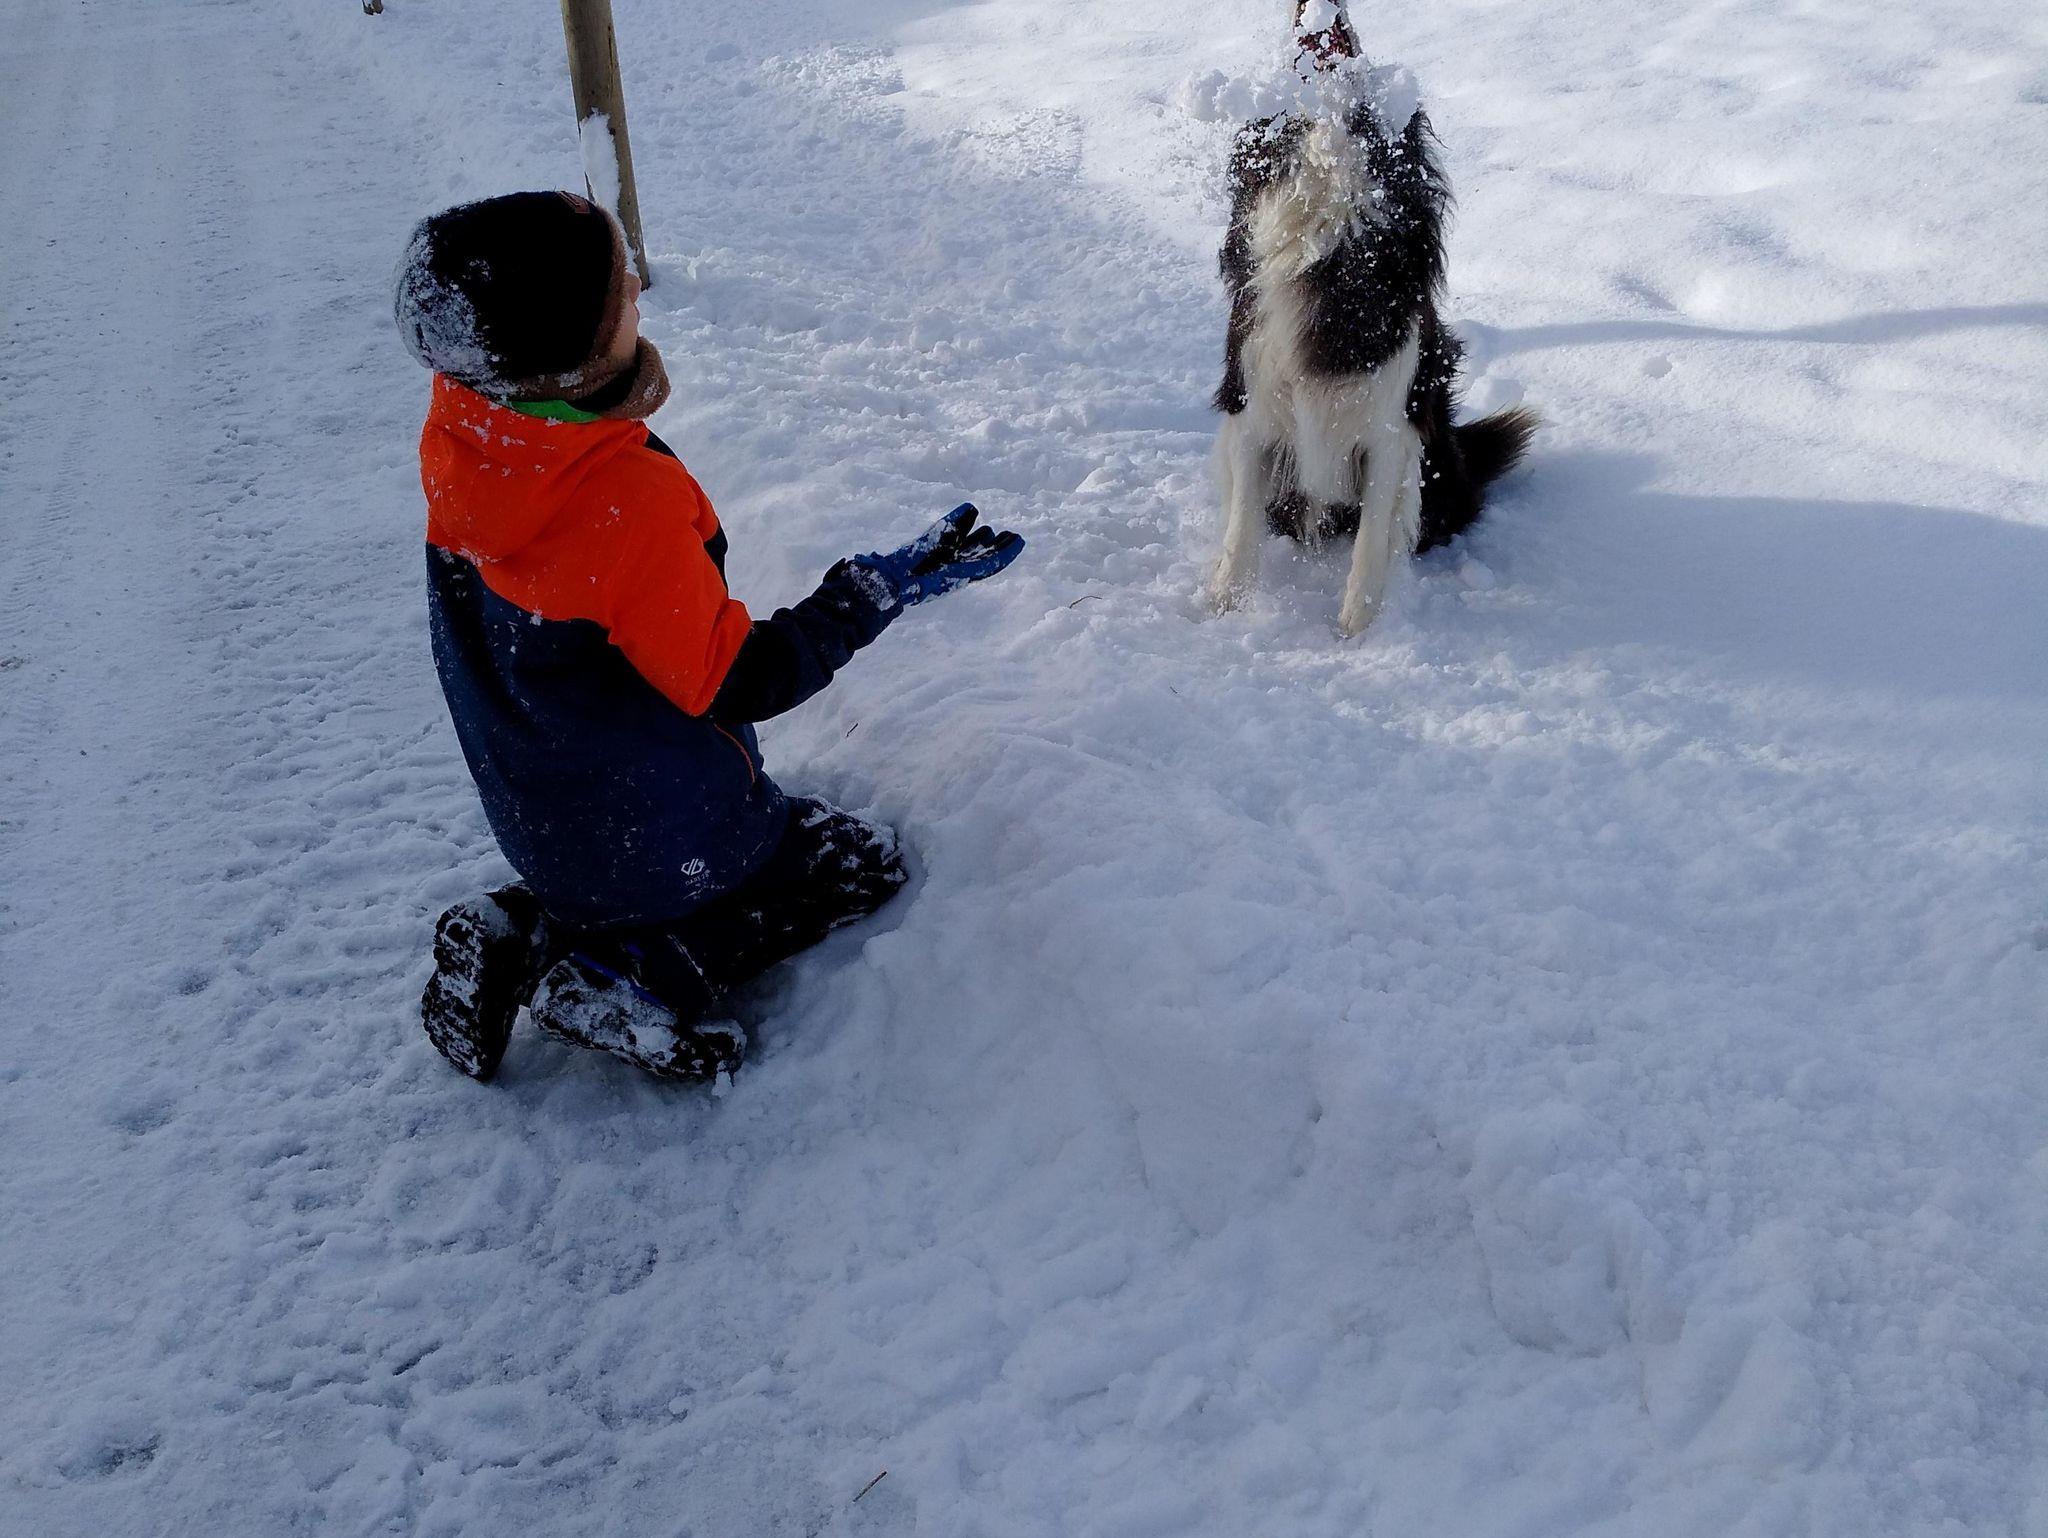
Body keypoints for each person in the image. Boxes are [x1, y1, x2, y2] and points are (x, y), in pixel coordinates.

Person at [392, 191, 1023, 1083]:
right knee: (858, 864)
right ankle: (636, 976)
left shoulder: (473, 433)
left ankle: (525, 929)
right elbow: (737, 681)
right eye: (617, 289)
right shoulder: (618, 506)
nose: (637, 289)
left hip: (544, 817)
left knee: (614, 881)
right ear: (573, 346)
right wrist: (866, 596)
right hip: (663, 833)